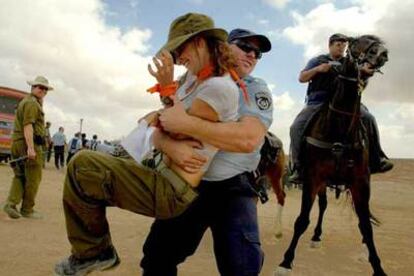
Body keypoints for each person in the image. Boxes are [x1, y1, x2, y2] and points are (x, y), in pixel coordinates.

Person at [54, 12, 241, 276]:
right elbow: (167, 119)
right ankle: (93, 252)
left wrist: (162, 106)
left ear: (200, 42)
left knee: (83, 165)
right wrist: (161, 117)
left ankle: (93, 253)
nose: (178, 58)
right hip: (162, 172)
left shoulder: (219, 88)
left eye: (180, 49)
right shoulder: (192, 79)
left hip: (172, 189)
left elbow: (174, 129)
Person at [140, 28, 273, 276]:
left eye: (258, 53)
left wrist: (187, 125)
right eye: (246, 47)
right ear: (225, 46)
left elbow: (248, 139)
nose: (252, 55)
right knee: (156, 259)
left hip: (233, 188)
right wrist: (170, 145)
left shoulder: (255, 88)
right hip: (188, 185)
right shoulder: (194, 81)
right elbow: (159, 125)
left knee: (242, 268)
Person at [288, 33, 393, 184]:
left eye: (344, 46)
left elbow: (360, 78)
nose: (341, 48)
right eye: (338, 45)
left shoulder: (349, 62)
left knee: (369, 118)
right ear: (330, 45)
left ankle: (377, 158)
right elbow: (302, 78)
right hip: (318, 101)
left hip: (345, 103)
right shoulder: (318, 60)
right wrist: (318, 69)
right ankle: (298, 167)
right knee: (296, 127)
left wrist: (365, 73)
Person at [2, 75, 53, 219]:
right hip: (27, 144)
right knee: (33, 177)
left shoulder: (28, 101)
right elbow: (28, 125)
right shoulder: (31, 103)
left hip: (18, 142)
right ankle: (27, 209)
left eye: (45, 89)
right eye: (40, 87)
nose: (43, 90)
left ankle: (11, 204)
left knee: (20, 175)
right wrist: (31, 148)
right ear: (33, 87)